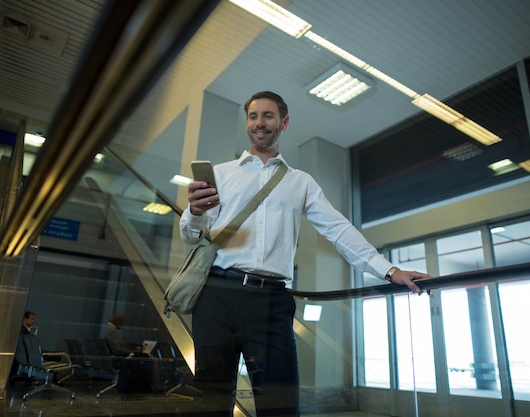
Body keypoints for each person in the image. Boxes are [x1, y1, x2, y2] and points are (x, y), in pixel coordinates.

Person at [180, 91, 431, 416]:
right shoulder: (222, 173)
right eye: (253, 116)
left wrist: (389, 271)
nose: (260, 123)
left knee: (281, 406)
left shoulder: (301, 183)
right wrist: (195, 212)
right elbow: (192, 237)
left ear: (283, 123)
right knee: (210, 405)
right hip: (217, 294)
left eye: (268, 116)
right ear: (247, 123)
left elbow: (338, 229)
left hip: (271, 302)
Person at [8, 311, 37, 386]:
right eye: (31, 319)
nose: (33, 321)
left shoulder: (21, 330)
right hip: (25, 356)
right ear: (25, 319)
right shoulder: (24, 332)